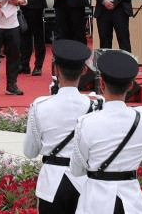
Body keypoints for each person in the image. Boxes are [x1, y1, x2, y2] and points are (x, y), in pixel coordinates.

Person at [70, 51, 142, 214]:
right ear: (130, 86)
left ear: (101, 84)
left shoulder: (86, 122)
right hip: (130, 203)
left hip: (96, 203)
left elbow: (76, 170)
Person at [24, 40, 97, 214]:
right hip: (83, 182)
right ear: (84, 70)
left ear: (57, 69)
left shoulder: (40, 105)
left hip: (52, 183)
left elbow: (30, 152)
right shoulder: (94, 106)